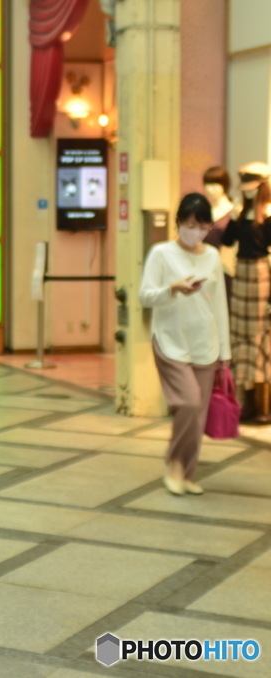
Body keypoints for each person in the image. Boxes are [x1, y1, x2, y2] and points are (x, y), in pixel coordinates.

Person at [139, 193, 231, 496]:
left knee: (198, 414)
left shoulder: (213, 256)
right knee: (189, 403)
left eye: (202, 226)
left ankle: (187, 474)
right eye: (190, 224)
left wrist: (225, 353)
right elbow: (145, 296)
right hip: (170, 341)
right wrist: (172, 289)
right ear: (178, 223)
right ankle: (173, 465)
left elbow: (219, 306)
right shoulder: (161, 253)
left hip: (205, 344)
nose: (196, 231)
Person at [221, 162, 271, 420]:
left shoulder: (269, 214)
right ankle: (247, 403)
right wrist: (232, 216)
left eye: (252, 187)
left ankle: (262, 407)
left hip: (261, 275)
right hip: (241, 274)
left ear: (262, 186)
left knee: (259, 338)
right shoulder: (241, 213)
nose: (248, 191)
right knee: (240, 337)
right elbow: (227, 241)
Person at [203, 166, 237, 297]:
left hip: (224, 267)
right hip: (204, 265)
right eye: (207, 184)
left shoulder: (233, 212)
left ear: (225, 184)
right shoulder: (206, 211)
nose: (209, 188)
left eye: (214, 184)